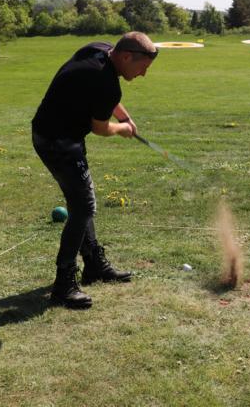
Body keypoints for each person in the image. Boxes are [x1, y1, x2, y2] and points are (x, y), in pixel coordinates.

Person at [31, 32, 158, 309]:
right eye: (143, 67)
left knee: (81, 202)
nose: (143, 74)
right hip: (57, 141)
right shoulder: (106, 82)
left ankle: (93, 266)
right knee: (84, 206)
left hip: (55, 134)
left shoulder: (99, 50)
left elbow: (102, 95)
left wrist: (124, 116)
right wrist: (122, 128)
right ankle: (64, 284)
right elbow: (100, 128)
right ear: (127, 57)